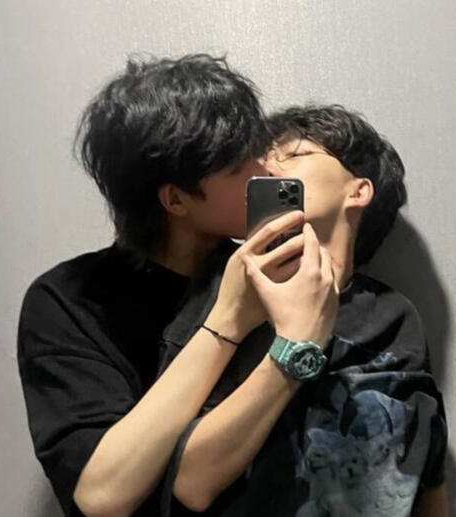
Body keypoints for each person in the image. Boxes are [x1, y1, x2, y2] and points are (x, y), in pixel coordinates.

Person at [17, 54, 320, 517]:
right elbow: (103, 496)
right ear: (175, 199)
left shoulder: (273, 273)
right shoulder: (69, 301)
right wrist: (229, 320)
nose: (269, 171)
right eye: (240, 165)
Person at [154, 105, 449, 517]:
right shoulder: (232, 293)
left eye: (293, 154)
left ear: (358, 191)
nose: (268, 167)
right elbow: (191, 483)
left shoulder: (394, 317)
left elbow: (424, 465)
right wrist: (294, 349)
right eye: (263, 158)